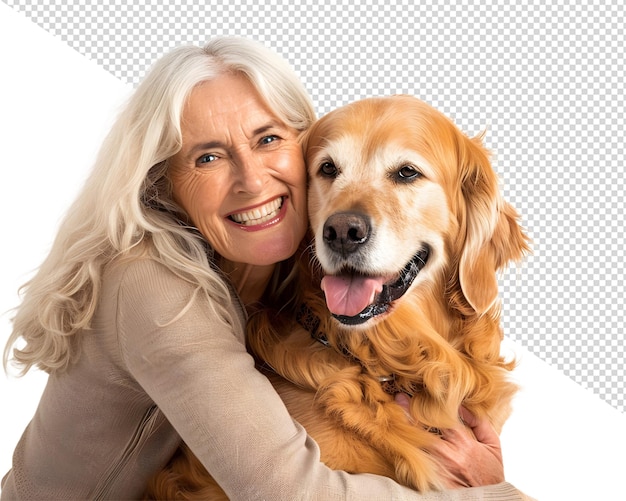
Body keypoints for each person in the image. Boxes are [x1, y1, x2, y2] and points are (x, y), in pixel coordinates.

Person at [1, 36, 531, 500]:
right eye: (207, 157)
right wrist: (496, 495)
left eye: (268, 139)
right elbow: (286, 493)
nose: (253, 182)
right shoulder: (152, 289)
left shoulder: (280, 267)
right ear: (162, 181)